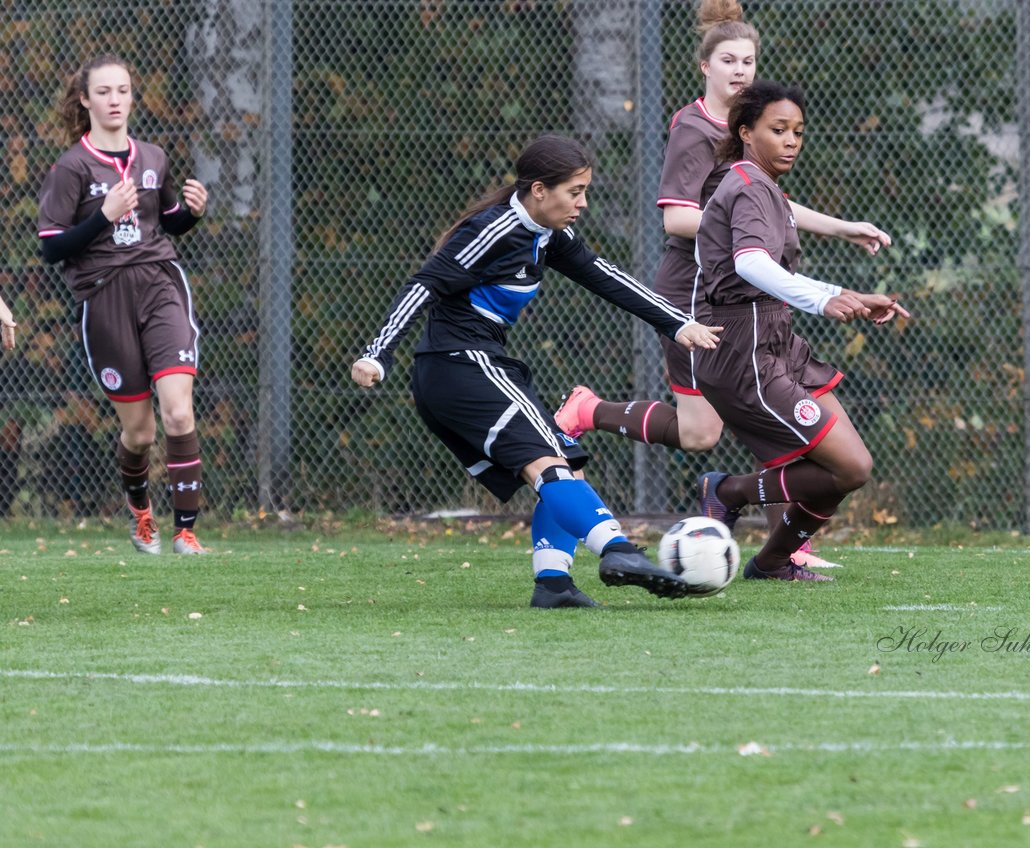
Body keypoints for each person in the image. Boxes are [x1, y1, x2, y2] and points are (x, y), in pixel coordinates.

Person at [554, 0, 889, 570]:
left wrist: (837, 227)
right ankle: (591, 411)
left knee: (756, 431)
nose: (741, 71)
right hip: (697, 293)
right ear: (704, 66)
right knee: (702, 431)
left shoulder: (753, 147)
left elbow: (767, 210)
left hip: (755, 304)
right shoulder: (696, 130)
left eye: (750, 61)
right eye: (729, 60)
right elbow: (679, 218)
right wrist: (765, 256)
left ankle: (784, 541)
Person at [351, 135, 722, 608]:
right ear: (540, 190)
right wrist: (377, 353)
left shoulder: (551, 235)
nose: (583, 203)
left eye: (586, 191)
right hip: (460, 364)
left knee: (556, 467)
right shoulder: (494, 230)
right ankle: (619, 551)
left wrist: (677, 323)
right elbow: (424, 284)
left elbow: (605, 276)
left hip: (473, 366)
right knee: (549, 464)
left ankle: (554, 584)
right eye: (575, 191)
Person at [682, 80, 907, 581]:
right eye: (778, 129)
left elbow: (768, 270)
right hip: (743, 351)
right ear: (745, 131)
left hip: (778, 342)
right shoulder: (746, 184)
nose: (791, 140)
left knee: (848, 469)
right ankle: (728, 493)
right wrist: (824, 298)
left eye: (798, 132)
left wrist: (849, 294)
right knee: (850, 468)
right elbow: (752, 264)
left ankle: (772, 561)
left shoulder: (764, 187)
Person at [37, 55, 210, 555]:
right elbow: (51, 247)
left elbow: (167, 222)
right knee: (140, 432)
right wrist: (104, 217)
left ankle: (186, 531)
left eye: (123, 90)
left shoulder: (153, 157)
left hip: (159, 284)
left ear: (133, 97)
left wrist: (192, 214)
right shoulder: (71, 167)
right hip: (104, 296)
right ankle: (141, 515)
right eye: (104, 92)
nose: (115, 100)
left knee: (178, 413)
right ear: (85, 100)